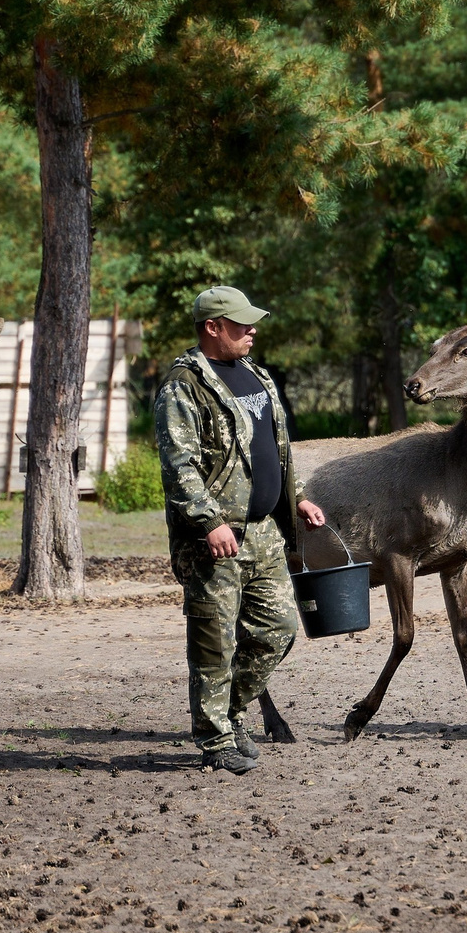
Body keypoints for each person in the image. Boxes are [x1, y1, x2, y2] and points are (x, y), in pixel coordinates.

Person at [154, 285, 327, 774]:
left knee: (279, 628)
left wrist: (295, 499)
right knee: (215, 641)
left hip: (265, 533)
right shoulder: (183, 387)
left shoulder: (255, 376)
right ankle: (214, 741)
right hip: (215, 541)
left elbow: (272, 451)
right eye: (241, 323)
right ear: (213, 327)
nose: (252, 330)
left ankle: (229, 714)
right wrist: (209, 522)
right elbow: (179, 467)